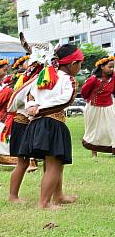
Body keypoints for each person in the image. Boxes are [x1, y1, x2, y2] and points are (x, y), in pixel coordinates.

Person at [19, 44, 84, 209]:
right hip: (52, 123)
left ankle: (58, 196)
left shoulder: (45, 74)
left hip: (38, 123)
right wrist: (40, 108)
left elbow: (30, 93)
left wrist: (32, 106)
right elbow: (66, 99)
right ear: (72, 64)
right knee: (54, 165)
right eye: (80, 64)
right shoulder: (67, 80)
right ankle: (44, 203)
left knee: (54, 163)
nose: (80, 67)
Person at [5, 56, 44, 202]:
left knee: (42, 160)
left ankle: (52, 193)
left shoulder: (30, 80)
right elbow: (25, 104)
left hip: (26, 124)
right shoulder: (31, 83)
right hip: (22, 125)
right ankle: (13, 196)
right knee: (23, 163)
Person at [81, 56, 115, 157]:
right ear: (102, 67)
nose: (112, 69)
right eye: (110, 67)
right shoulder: (93, 79)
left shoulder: (113, 78)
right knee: (93, 130)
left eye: (113, 67)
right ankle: (93, 152)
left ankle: (113, 149)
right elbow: (84, 92)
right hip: (94, 108)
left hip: (109, 107)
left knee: (112, 128)